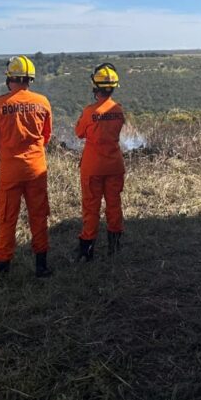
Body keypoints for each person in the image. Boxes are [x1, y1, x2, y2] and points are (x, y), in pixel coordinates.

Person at [0, 55, 54, 277]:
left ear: (9, 79)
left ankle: (3, 268)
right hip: (36, 168)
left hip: (10, 170)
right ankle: (41, 266)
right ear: (30, 80)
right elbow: (46, 135)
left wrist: (6, 154)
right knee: (39, 215)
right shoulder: (42, 102)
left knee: (7, 218)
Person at [75, 63, 127, 261]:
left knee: (91, 207)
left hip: (93, 167)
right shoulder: (119, 110)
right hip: (114, 165)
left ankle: (87, 251)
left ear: (95, 88)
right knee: (114, 205)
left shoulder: (89, 112)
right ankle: (114, 248)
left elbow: (79, 133)